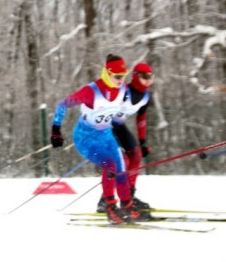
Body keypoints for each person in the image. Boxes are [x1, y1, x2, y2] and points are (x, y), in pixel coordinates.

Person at [50, 54, 148, 224]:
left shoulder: (123, 89)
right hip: (85, 137)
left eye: (123, 76)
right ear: (107, 73)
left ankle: (127, 205)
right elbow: (62, 104)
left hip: (105, 135)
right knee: (110, 166)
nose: (120, 80)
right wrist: (55, 131)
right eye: (117, 76)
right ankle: (110, 207)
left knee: (121, 168)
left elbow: (126, 107)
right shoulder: (91, 91)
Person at [94, 62, 155, 212]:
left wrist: (142, 141)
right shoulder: (123, 91)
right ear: (135, 77)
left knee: (136, 156)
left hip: (119, 126)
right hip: (106, 126)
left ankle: (129, 196)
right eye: (144, 77)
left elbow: (141, 118)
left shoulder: (146, 96)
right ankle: (105, 201)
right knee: (121, 160)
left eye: (150, 77)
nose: (147, 80)